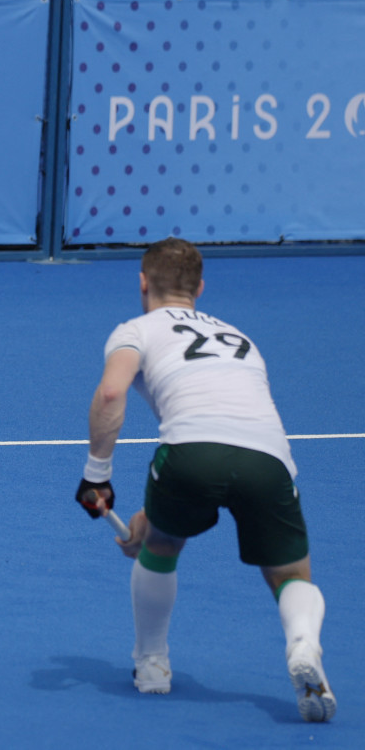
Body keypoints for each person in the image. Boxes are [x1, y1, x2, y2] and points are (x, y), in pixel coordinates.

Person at [75, 237, 335, 722]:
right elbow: (229, 433)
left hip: (188, 456)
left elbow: (112, 393)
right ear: (199, 288)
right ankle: (302, 641)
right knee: (290, 576)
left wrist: (98, 476)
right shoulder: (241, 338)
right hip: (268, 461)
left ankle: (152, 666)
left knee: (162, 546)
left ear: (143, 282)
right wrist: (150, 515)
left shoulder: (136, 329)